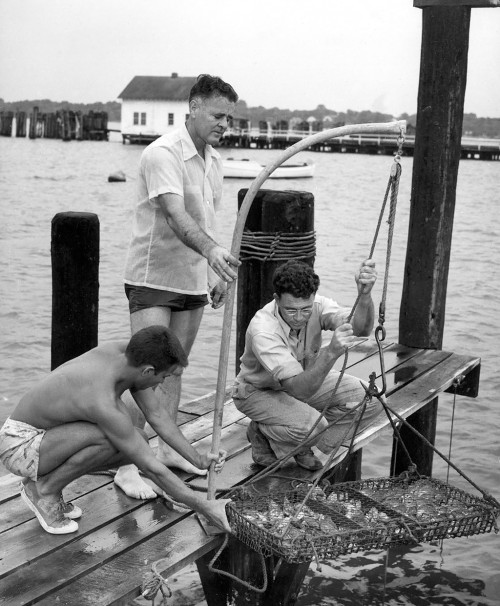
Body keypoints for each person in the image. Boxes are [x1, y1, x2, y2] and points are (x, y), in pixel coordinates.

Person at [118, 74, 241, 499]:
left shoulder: (217, 161)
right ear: (193, 107)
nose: (225, 123)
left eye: (229, 116)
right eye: (217, 114)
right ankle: (130, 464)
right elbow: (174, 214)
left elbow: (205, 222)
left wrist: (212, 271)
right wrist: (212, 252)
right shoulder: (162, 153)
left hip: (191, 278)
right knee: (143, 373)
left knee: (173, 370)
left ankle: (169, 453)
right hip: (152, 278)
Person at [0, 326, 231, 535]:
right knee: (116, 441)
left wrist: (198, 459)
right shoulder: (102, 399)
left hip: (47, 436)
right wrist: (205, 506)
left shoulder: (129, 356)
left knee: (137, 436)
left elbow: (157, 415)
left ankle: (45, 485)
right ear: (149, 371)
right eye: (164, 376)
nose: (161, 383)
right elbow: (151, 467)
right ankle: (44, 490)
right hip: (19, 445)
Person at [232, 259, 381, 471]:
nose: (299, 318)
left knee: (372, 398)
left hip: (301, 379)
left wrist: (364, 297)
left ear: (313, 298)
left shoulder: (317, 305)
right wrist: (331, 353)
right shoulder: (263, 329)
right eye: (291, 311)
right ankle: (268, 432)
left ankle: (297, 443)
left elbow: (360, 329)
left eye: (306, 309)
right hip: (258, 392)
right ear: (276, 299)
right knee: (313, 426)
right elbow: (298, 389)